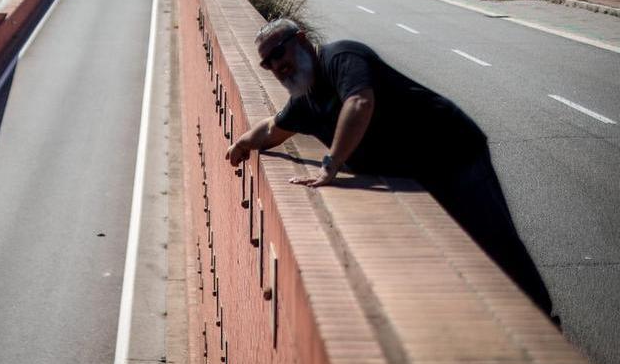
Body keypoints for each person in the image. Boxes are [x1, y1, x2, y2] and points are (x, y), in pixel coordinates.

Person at [225, 18, 555, 319]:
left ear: (302, 39)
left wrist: (331, 164)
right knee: (461, 258)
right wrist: (242, 144)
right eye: (267, 63)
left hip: (454, 153)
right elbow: (272, 129)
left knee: (494, 242)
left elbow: (359, 102)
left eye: (279, 53)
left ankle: (543, 320)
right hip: (419, 172)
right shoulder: (306, 100)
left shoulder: (340, 58)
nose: (276, 66)